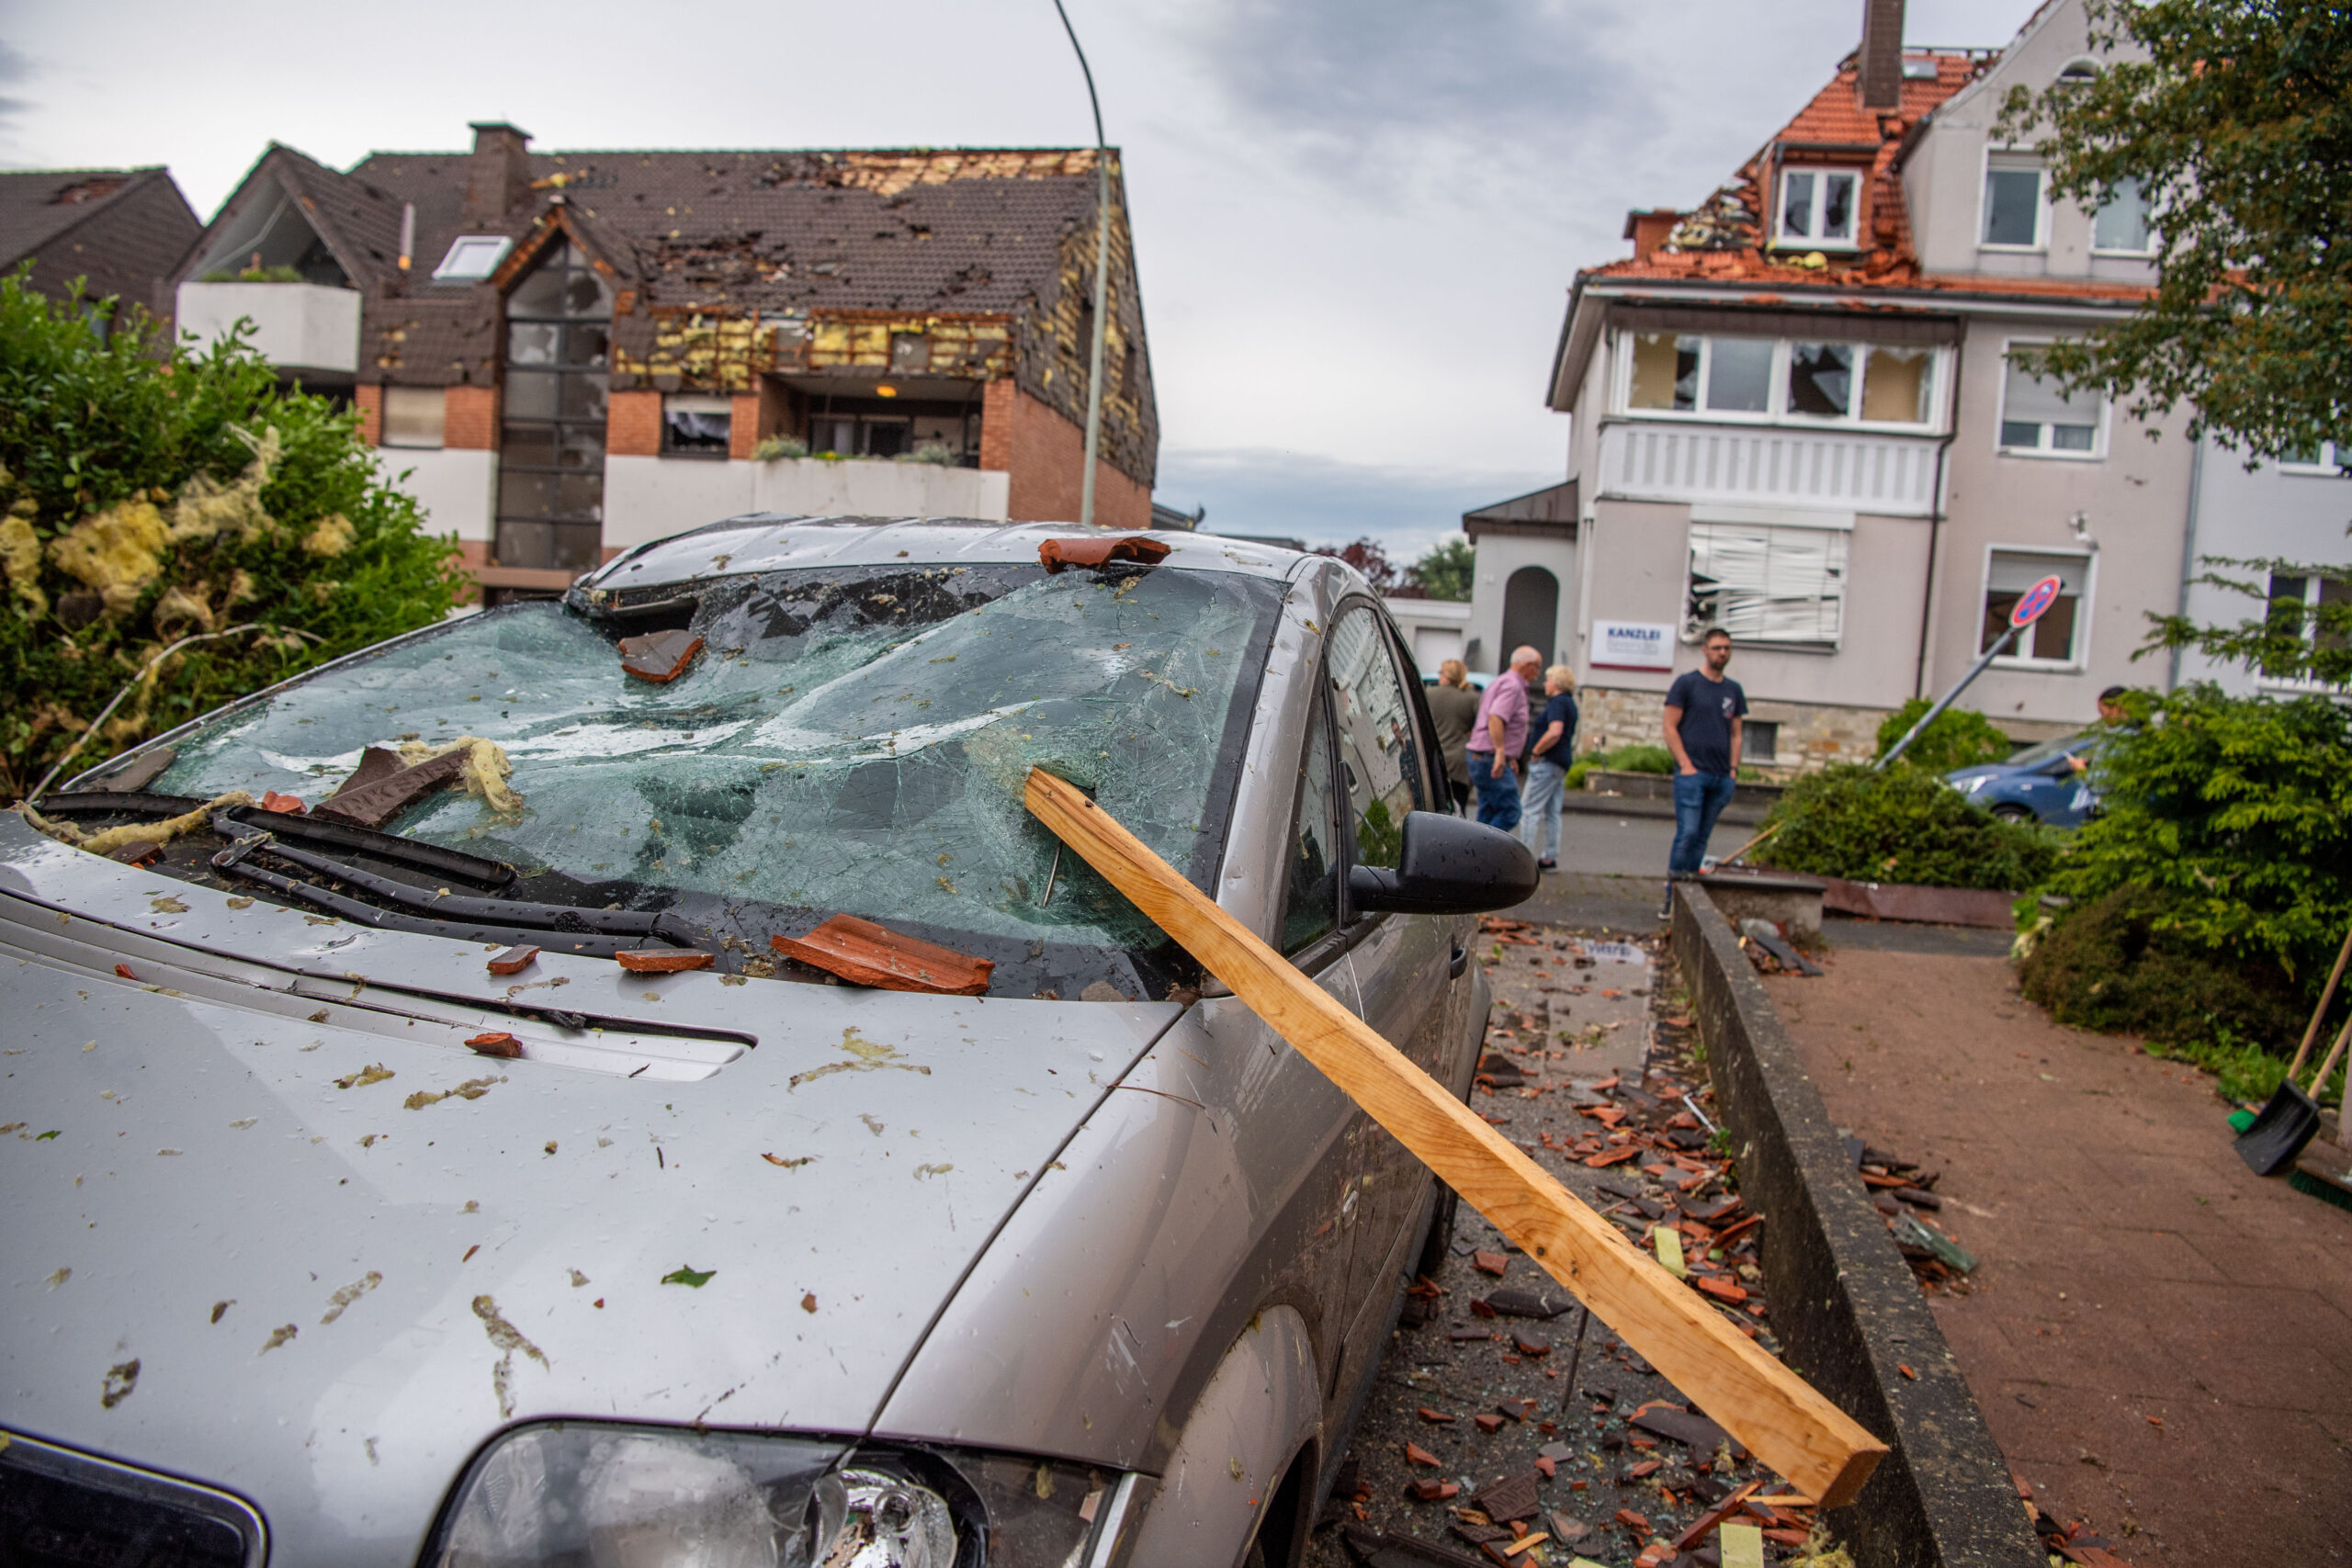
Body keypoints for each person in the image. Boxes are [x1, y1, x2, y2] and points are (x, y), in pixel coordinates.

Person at [1661, 627, 1746, 919]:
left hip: (1721, 776)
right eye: (1717, 647)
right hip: (1692, 774)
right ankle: (1673, 895)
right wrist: (1685, 763)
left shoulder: (1733, 690)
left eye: (1727, 648)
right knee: (1688, 833)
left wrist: (1733, 770)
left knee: (1702, 839)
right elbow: (1670, 726)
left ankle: (1690, 898)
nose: (1723, 652)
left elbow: (1736, 733)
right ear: (1705, 650)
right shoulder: (1687, 684)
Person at [1466, 646, 1540, 832]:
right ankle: (1483, 850)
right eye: (1537, 668)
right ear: (1528, 665)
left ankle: (1476, 854)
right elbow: (1496, 717)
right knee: (1511, 811)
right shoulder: (1513, 686)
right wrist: (1500, 752)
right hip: (1490, 756)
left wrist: (1509, 756)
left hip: (1483, 755)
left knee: (1489, 810)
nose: (1538, 674)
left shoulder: (1500, 681)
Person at [1520, 665, 1578, 870]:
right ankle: (1550, 856)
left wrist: (1536, 750)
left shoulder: (1557, 703)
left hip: (1547, 762)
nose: (1544, 683)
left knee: (1529, 810)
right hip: (1560, 763)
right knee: (1553, 811)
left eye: (1548, 679)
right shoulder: (1569, 703)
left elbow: (1555, 731)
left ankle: (1524, 856)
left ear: (1557, 683)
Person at [1425, 659, 1480, 814]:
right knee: (1457, 809)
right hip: (1459, 763)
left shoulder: (1428, 694)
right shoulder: (1472, 698)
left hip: (1433, 759)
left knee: (1432, 808)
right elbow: (1483, 727)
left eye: (1440, 672)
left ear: (1445, 675)